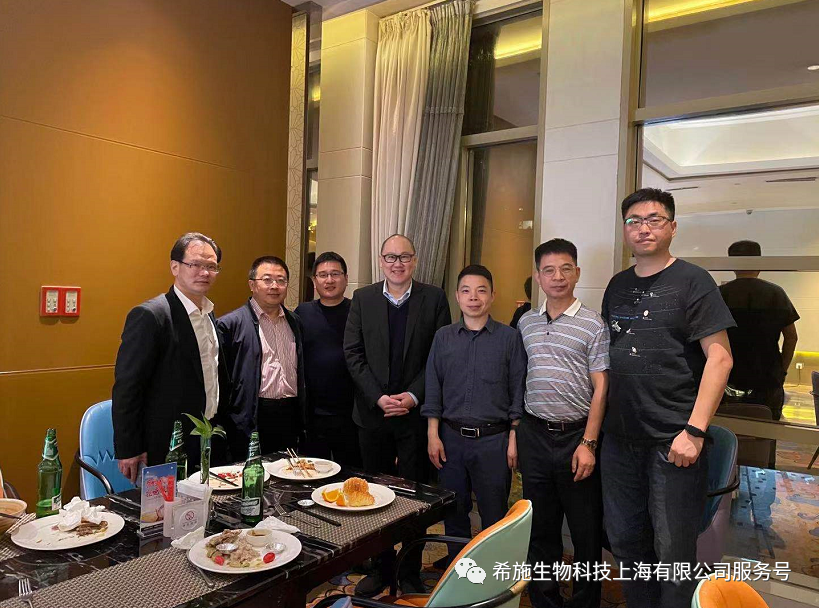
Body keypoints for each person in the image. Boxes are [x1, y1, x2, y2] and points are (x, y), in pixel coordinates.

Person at [601, 188, 734, 608]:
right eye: (634, 221)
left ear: (672, 227)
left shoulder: (694, 281)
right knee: (626, 544)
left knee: (674, 554)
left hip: (673, 442)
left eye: (654, 219)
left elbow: (720, 358)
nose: (644, 228)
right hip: (619, 441)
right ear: (625, 229)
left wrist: (694, 431)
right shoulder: (617, 285)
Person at [344, 234, 451, 596]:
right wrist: (378, 397)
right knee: (373, 495)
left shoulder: (434, 298)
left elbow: (438, 354)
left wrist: (412, 396)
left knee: (414, 499)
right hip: (372, 416)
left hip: (414, 417)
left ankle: (409, 571)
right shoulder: (363, 298)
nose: (397, 263)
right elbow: (353, 353)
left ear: (415, 261)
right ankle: (381, 567)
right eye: (390, 257)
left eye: (404, 257)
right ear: (381, 261)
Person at [516, 238, 609, 608]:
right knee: (540, 530)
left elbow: (602, 387)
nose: (558, 277)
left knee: (586, 533)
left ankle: (585, 603)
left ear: (577, 273)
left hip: (576, 437)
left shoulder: (593, 324)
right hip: (534, 434)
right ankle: (545, 601)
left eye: (565, 268)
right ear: (538, 276)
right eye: (549, 270)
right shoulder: (526, 322)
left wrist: (589, 443)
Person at [423, 264, 526, 569]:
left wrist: (514, 436)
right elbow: (433, 386)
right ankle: (459, 570)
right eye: (466, 291)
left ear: (492, 296)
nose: (473, 297)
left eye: (481, 291)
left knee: (494, 512)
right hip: (450, 438)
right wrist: (432, 434)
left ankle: (491, 574)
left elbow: (518, 388)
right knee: (454, 509)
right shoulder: (443, 337)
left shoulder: (509, 338)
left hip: (493, 440)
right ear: (457, 296)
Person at [113, 232, 230, 482]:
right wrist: (129, 448)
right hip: (165, 442)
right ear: (175, 267)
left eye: (212, 266)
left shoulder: (208, 313)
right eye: (195, 264)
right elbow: (128, 387)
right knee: (166, 507)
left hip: (205, 435)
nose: (204, 272)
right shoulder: (151, 316)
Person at [217, 256, 307, 459]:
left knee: (287, 471)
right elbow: (222, 380)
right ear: (252, 285)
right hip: (252, 415)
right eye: (267, 280)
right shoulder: (230, 325)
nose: (274, 286)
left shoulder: (295, 322)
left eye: (281, 280)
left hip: (290, 414)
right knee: (252, 472)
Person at [719, 240, 799, 423]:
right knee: (766, 431)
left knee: (728, 429)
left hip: (728, 377)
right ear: (759, 262)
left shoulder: (720, 294)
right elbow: (791, 337)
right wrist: (782, 371)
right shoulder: (776, 294)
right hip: (768, 378)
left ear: (732, 263)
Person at [295, 252, 361, 466]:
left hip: (352, 413)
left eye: (335, 274)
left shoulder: (359, 311)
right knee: (313, 472)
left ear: (346, 278)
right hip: (312, 414)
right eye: (323, 275)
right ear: (314, 281)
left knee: (352, 473)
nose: (329, 280)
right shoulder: (302, 313)